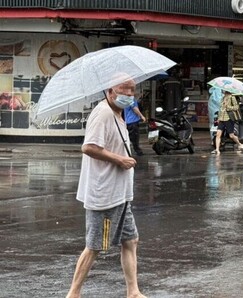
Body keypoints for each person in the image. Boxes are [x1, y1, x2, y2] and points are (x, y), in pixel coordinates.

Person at [66, 78, 146, 298]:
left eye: (132, 91)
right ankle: (73, 293)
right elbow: (89, 147)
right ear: (110, 91)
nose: (129, 95)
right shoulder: (102, 114)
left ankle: (133, 291)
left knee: (130, 240)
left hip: (120, 193)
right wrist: (119, 160)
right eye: (124, 91)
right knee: (95, 247)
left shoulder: (118, 113)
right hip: (104, 194)